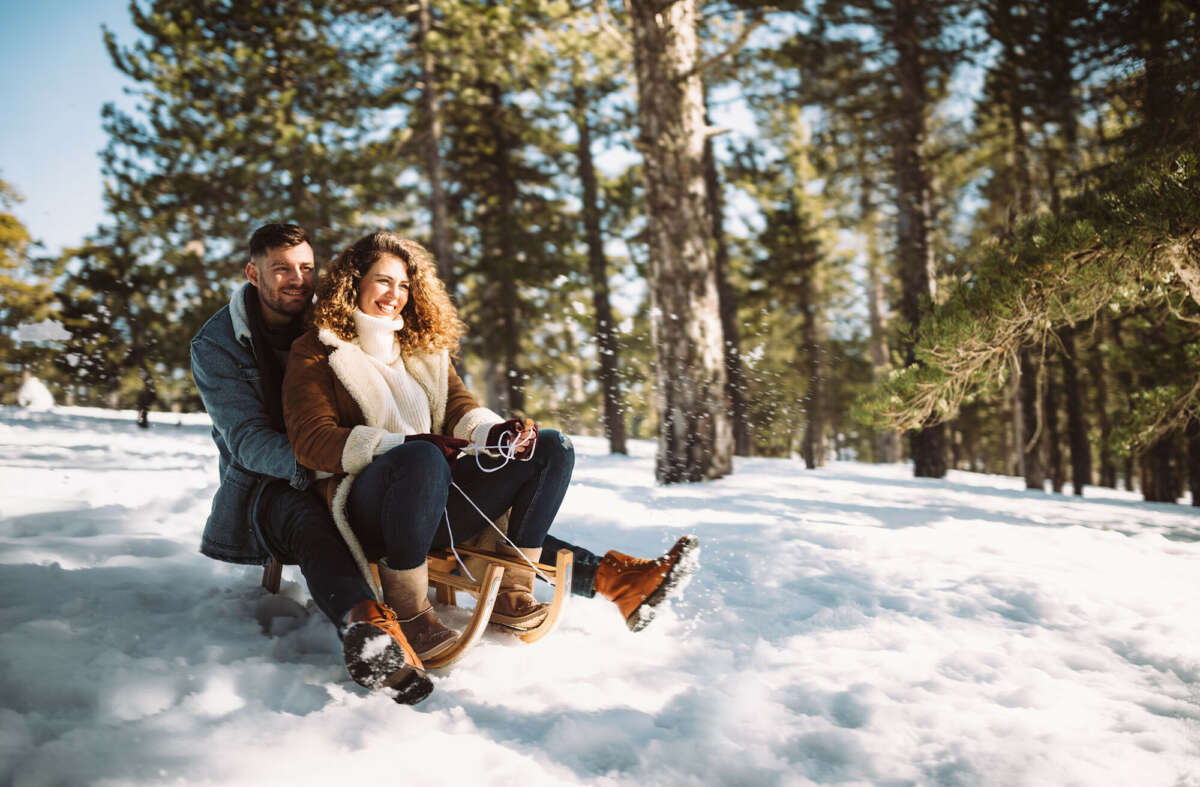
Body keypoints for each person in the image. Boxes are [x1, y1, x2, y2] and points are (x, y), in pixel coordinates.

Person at [191, 223, 432, 705]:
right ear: (253, 273)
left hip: (349, 460)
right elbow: (246, 441)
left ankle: (590, 572)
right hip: (270, 482)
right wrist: (320, 462)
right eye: (281, 269)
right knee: (309, 520)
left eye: (305, 267)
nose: (297, 279)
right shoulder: (215, 345)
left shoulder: (329, 318)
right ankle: (368, 630)